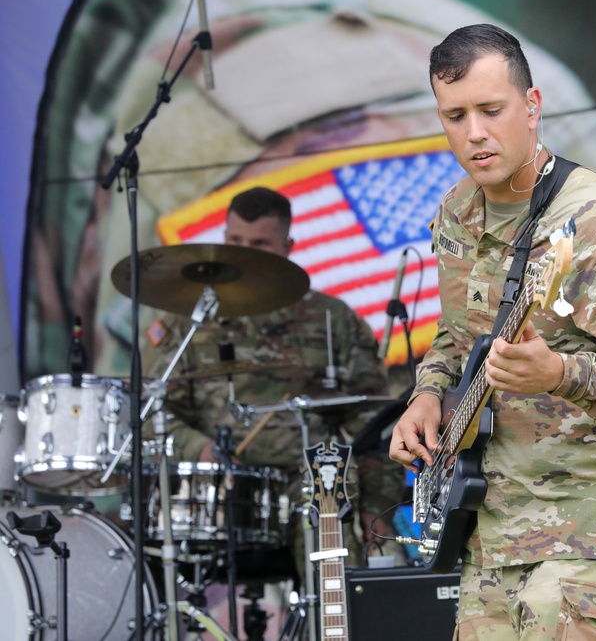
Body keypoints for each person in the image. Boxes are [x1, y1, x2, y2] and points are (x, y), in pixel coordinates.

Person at [389, 24, 596, 640]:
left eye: (491, 110)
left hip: (589, 527)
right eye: (455, 115)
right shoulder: (455, 215)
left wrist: (562, 374)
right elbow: (456, 337)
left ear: (531, 108)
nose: (474, 132)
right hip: (490, 524)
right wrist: (426, 394)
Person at [142, 186, 404, 575]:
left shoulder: (333, 320)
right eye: (235, 241)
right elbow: (153, 411)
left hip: (311, 485)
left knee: (330, 486)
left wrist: (376, 508)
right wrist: (199, 449)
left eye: (259, 244)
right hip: (222, 490)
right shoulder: (190, 324)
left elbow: (374, 428)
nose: (244, 253)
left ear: (287, 246)